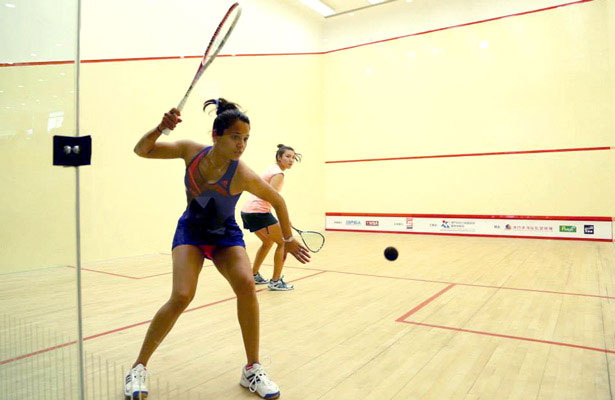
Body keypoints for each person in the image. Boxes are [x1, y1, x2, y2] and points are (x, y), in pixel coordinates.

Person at [124, 98, 310, 400]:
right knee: (182, 295)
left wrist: (287, 238)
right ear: (216, 135)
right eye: (235, 137)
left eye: (246, 139)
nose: (241, 145)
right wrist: (160, 128)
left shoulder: (241, 173)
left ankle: (252, 368)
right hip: (191, 232)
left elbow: (278, 200)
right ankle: (138, 367)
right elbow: (141, 150)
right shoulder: (190, 151)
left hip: (225, 236)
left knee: (247, 285)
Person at [240, 144, 302, 291]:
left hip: (248, 211)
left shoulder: (272, 168)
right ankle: (275, 281)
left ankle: (253, 274)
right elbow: (272, 197)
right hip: (258, 212)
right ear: (279, 157)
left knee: (268, 242)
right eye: (287, 156)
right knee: (283, 243)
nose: (291, 160)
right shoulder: (278, 174)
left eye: (293, 157)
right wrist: (283, 219)